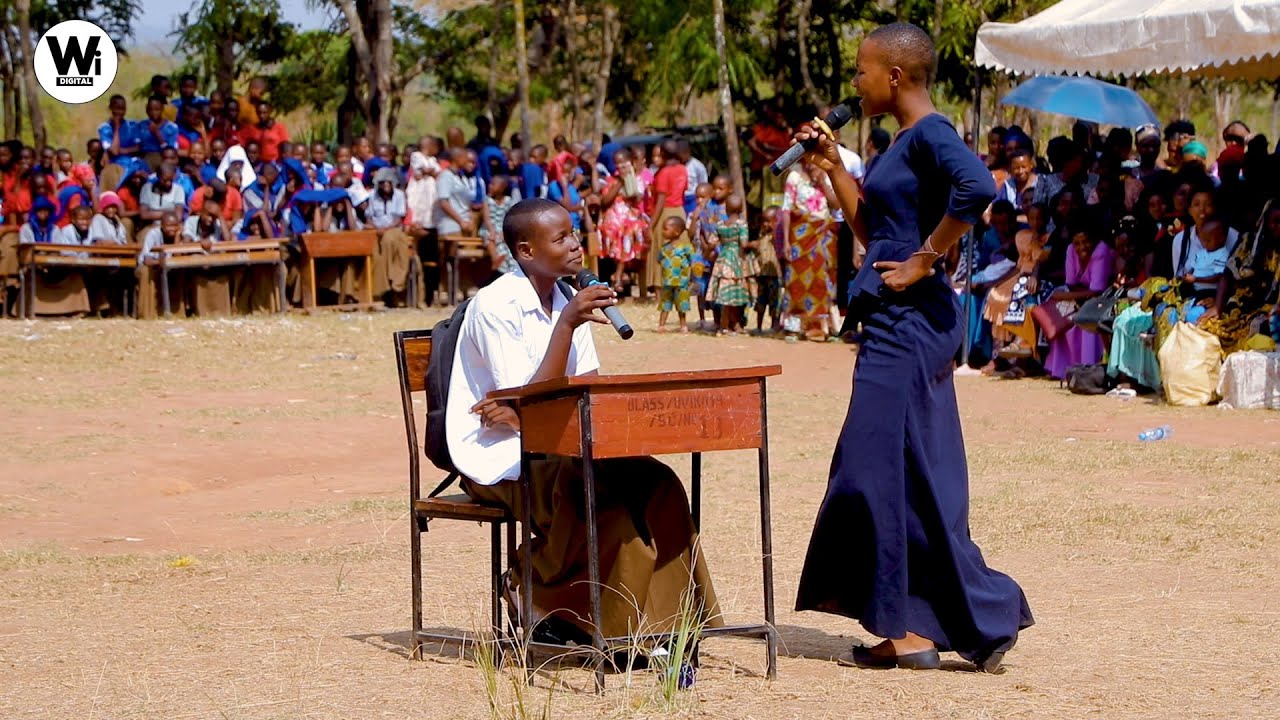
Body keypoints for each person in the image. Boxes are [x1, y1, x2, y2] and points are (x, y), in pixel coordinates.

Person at [792, 22, 1032, 672]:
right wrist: (830, 168)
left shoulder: (931, 133)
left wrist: (927, 260)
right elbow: (872, 229)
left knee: (872, 469)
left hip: (911, 319)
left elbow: (978, 189)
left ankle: (964, 613)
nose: (856, 82)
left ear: (895, 76)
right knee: (902, 470)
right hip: (892, 316)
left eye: (863, 71)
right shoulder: (900, 143)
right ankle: (911, 628)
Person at [447, 198, 721, 646]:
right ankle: (533, 584)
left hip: (561, 442)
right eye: (560, 238)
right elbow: (528, 406)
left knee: (656, 481)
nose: (576, 245)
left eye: (574, 233)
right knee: (601, 502)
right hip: (502, 457)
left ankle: (672, 629)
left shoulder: (567, 297)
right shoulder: (496, 306)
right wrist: (566, 327)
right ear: (526, 252)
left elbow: (581, 392)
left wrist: (534, 403)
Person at [1043, 221, 1115, 379]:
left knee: (1084, 319)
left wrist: (1066, 296)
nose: (1082, 247)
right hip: (1081, 295)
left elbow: (1097, 290)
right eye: (1077, 243)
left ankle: (1088, 367)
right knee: (1063, 318)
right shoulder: (1070, 250)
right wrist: (1072, 296)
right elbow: (1070, 283)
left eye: (1086, 241)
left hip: (1104, 299)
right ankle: (1062, 369)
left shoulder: (1101, 251)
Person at [780, 159, 837, 341]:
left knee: (823, 278)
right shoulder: (794, 177)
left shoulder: (827, 175)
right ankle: (795, 326)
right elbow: (787, 209)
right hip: (800, 234)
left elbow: (836, 204)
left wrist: (821, 181)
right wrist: (787, 242)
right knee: (796, 278)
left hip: (823, 234)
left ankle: (821, 326)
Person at [597, 149, 649, 291]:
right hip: (614, 217)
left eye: (623, 164)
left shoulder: (637, 179)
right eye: (617, 164)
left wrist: (629, 181)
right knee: (620, 231)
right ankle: (620, 274)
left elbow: (637, 199)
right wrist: (619, 183)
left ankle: (619, 274)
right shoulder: (611, 181)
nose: (620, 167)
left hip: (629, 217)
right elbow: (605, 201)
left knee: (631, 230)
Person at [705, 193, 753, 335]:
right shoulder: (741, 225)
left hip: (723, 260)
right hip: (737, 261)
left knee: (725, 295)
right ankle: (730, 325)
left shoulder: (720, 225)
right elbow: (744, 244)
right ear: (741, 209)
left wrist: (707, 254)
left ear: (726, 209)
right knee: (736, 295)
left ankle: (727, 325)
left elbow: (711, 243)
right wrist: (754, 244)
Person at [366, 166, 415, 305]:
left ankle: (396, 284)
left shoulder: (399, 195)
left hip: (393, 229)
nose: (386, 185)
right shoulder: (372, 195)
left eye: (389, 182)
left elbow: (399, 218)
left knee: (391, 241)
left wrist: (386, 229)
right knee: (376, 256)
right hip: (375, 230)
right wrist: (377, 229)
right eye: (383, 182)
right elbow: (369, 217)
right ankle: (378, 292)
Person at [646, 139, 688, 293]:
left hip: (665, 214)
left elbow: (661, 201)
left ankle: (660, 289)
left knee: (660, 250)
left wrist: (651, 226)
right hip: (680, 211)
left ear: (663, 153)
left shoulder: (663, 173)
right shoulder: (683, 169)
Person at [749, 205, 783, 334]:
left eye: (769, 221)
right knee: (761, 302)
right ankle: (758, 326)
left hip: (774, 275)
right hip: (762, 274)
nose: (765, 224)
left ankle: (774, 326)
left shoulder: (776, 237)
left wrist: (776, 229)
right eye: (764, 221)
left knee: (775, 303)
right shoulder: (762, 235)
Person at [657, 214, 694, 333]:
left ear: (677, 232)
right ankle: (661, 325)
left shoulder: (686, 247)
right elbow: (659, 259)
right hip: (667, 282)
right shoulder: (664, 248)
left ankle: (683, 325)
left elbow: (693, 261)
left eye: (666, 229)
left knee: (681, 305)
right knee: (665, 304)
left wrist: (693, 277)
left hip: (681, 282)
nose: (663, 232)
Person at [1183, 216, 1230, 302]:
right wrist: (1187, 275)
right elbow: (1193, 267)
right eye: (1204, 240)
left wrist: (1196, 279)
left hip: (1209, 290)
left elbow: (1218, 277)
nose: (1205, 243)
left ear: (1221, 238)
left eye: (1208, 240)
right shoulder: (1201, 252)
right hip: (1194, 287)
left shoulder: (1222, 254)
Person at [138, 97, 180, 171]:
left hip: (163, 158)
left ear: (162, 109)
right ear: (146, 110)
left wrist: (157, 133)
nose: (153, 112)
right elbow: (138, 145)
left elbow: (171, 151)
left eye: (157, 109)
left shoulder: (172, 127)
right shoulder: (142, 125)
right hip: (145, 157)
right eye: (150, 109)